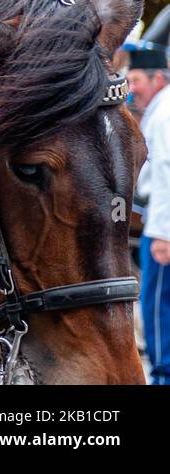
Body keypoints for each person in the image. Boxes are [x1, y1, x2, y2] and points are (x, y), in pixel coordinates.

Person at [131, 41, 170, 384]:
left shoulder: (163, 113)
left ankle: (162, 378)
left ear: (158, 78)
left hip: (163, 230)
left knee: (157, 308)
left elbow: (167, 173)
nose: (131, 89)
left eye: (136, 80)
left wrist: (162, 233)